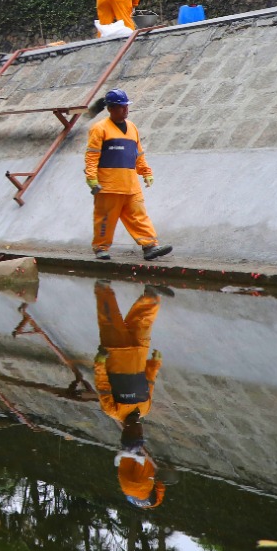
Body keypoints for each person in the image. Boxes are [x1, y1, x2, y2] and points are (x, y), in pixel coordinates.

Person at [93, 280, 174, 508]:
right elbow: (148, 382)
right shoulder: (144, 409)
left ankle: (103, 288)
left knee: (110, 318)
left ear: (126, 431)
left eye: (134, 430)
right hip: (139, 352)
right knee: (143, 321)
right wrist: (154, 364)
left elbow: (102, 385)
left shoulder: (113, 409)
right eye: (141, 431)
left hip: (116, 353)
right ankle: (151, 295)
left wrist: (99, 363)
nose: (138, 427)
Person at [85, 89, 171, 261]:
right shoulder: (99, 129)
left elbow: (138, 154)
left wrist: (146, 172)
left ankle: (150, 246)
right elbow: (92, 156)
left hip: (130, 184)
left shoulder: (132, 128)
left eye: (126, 107)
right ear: (110, 108)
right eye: (120, 107)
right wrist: (92, 179)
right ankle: (101, 248)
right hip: (109, 185)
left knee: (139, 215)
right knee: (105, 219)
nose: (125, 110)